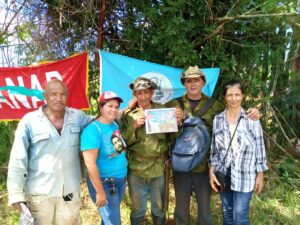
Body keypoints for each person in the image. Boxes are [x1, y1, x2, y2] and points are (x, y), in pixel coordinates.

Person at [165, 66, 260, 225]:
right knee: (180, 209)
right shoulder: (172, 105)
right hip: (181, 165)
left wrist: (253, 112)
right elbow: (162, 133)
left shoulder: (215, 106)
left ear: (203, 82)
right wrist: (176, 123)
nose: (193, 84)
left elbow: (234, 118)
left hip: (205, 166)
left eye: (196, 80)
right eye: (189, 81)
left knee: (204, 210)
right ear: (184, 83)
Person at [7, 79, 91, 225]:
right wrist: (15, 194)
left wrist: (126, 110)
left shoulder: (78, 117)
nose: (58, 98)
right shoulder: (29, 121)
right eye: (53, 94)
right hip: (39, 195)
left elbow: (102, 122)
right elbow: (18, 158)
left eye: (63, 94)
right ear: (45, 96)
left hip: (69, 193)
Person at [121, 77, 183, 225]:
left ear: (152, 93)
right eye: (139, 93)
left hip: (158, 167)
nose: (143, 97)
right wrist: (134, 126)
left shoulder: (162, 111)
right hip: (136, 168)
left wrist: (178, 123)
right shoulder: (128, 114)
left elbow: (173, 137)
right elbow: (122, 141)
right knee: (137, 209)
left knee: (159, 208)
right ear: (134, 95)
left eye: (146, 92)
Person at [209, 80, 268, 225]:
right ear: (225, 97)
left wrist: (260, 175)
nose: (233, 98)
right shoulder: (218, 119)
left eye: (237, 94)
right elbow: (214, 150)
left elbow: (260, 148)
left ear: (242, 96)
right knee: (227, 213)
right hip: (224, 174)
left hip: (245, 174)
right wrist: (211, 172)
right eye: (230, 95)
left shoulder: (252, 119)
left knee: (240, 216)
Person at [80, 91, 128, 225]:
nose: (114, 110)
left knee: (108, 221)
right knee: (113, 222)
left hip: (119, 179)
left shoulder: (114, 125)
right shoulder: (93, 130)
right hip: (105, 183)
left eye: (116, 107)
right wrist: (100, 192)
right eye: (110, 106)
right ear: (101, 107)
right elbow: (90, 164)